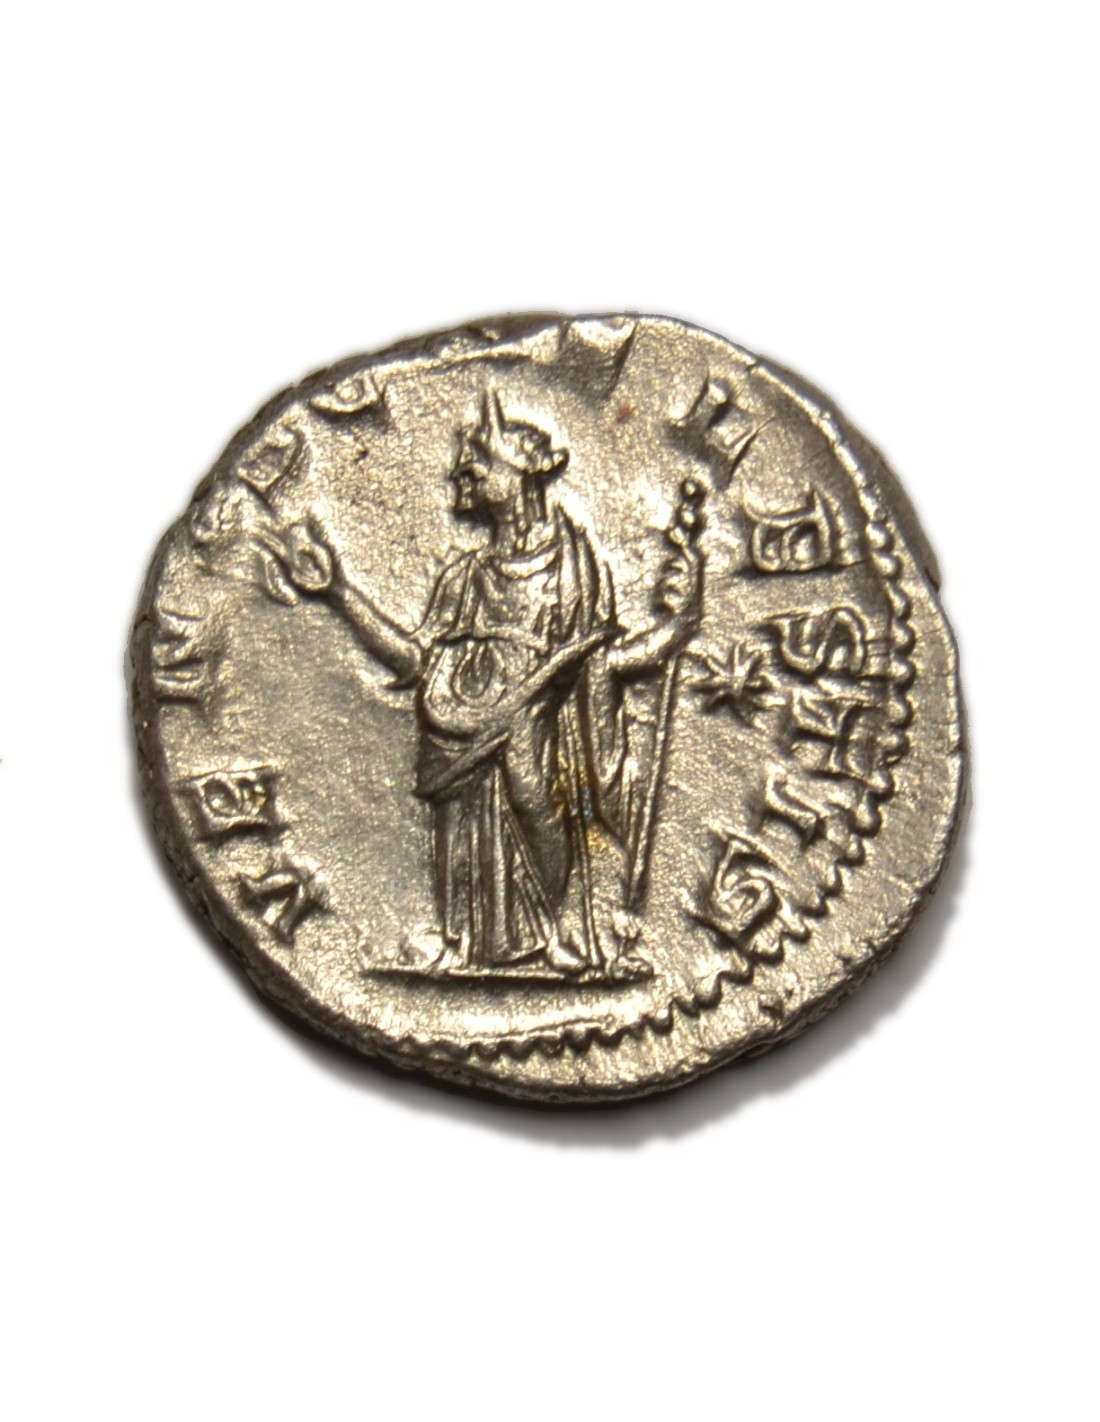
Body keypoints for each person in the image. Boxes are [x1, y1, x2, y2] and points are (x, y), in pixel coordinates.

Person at [285, 392, 702, 980]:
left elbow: (603, 662)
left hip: (534, 721)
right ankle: (464, 942)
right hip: (458, 726)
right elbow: (414, 659)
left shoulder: (574, 569)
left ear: (521, 471)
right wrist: (338, 592)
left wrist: (678, 626)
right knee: (465, 823)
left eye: (476, 466)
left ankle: (559, 929)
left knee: (536, 798)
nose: (461, 476)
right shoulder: (465, 578)